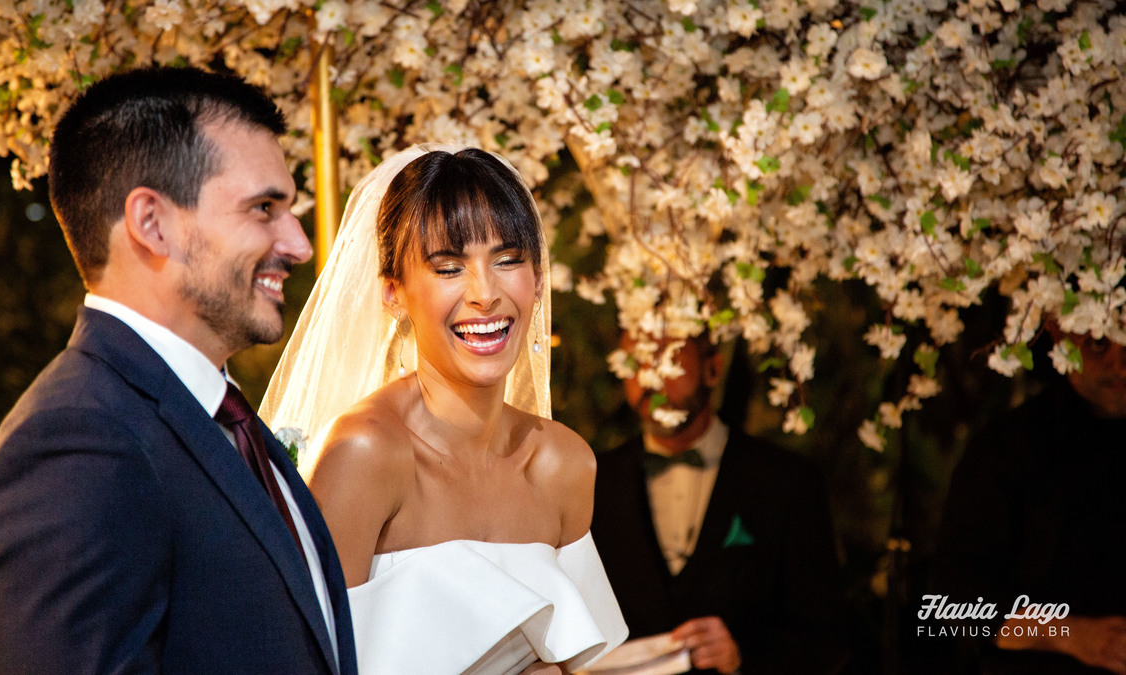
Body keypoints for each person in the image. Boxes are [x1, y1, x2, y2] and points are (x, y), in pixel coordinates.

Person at [0, 66, 356, 674]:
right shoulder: (77, 445)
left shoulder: (225, 422)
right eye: (264, 208)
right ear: (152, 224)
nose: (299, 244)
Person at [260, 145, 628, 674]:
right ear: (392, 293)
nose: (484, 294)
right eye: (449, 268)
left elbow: (590, 663)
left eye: (507, 261)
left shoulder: (564, 464)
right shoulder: (366, 454)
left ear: (539, 279)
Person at [591, 332, 849, 674]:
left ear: (713, 368)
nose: (651, 377)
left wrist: (743, 655)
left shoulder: (786, 481)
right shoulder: (592, 481)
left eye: (670, 358)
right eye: (636, 361)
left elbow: (826, 637)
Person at [933, 325, 1126, 674]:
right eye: (1098, 344)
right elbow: (952, 602)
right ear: (1059, 334)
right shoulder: (1009, 447)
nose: (1120, 363)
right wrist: (1070, 635)